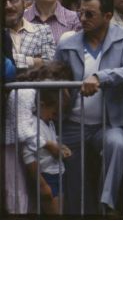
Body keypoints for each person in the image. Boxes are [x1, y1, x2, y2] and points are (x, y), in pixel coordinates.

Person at [54, 0, 123, 215]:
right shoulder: (67, 43)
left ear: (107, 15)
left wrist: (101, 77)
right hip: (73, 124)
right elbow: (54, 76)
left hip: (108, 122)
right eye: (80, 13)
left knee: (117, 144)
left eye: (90, 14)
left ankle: (107, 203)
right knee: (75, 186)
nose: (83, 19)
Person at [20, 65, 73, 215]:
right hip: (47, 177)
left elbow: (51, 141)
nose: (54, 117)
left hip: (59, 174)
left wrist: (60, 147)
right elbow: (28, 153)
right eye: (54, 113)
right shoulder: (34, 124)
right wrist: (43, 185)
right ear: (42, 105)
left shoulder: (48, 122)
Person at [4, 0, 55, 71]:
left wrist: (8, 60)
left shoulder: (42, 31)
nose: (8, 6)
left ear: (23, 1)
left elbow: (49, 65)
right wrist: (34, 61)